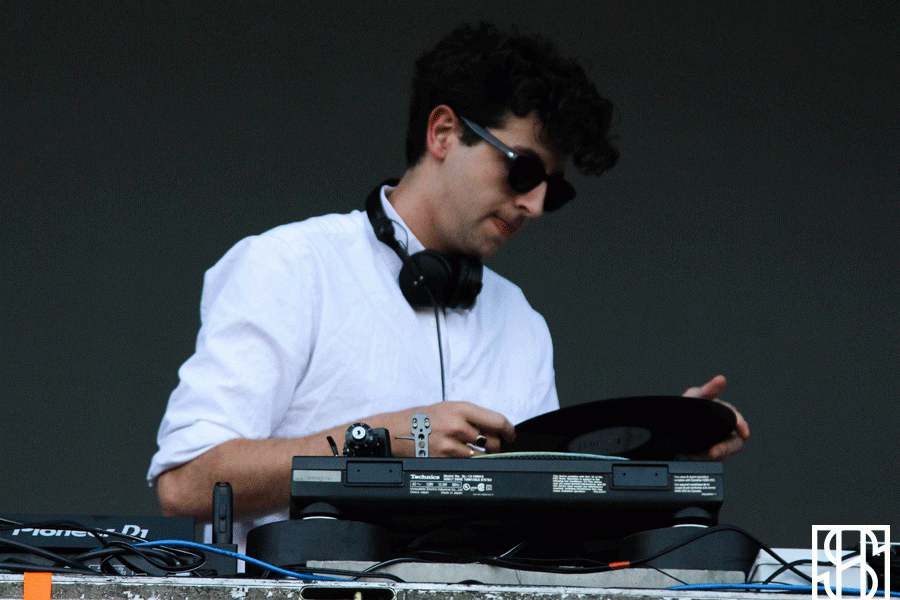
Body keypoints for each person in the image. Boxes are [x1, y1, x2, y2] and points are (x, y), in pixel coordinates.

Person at [148, 23, 749, 546]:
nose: (536, 204)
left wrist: (659, 452)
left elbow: (550, 516)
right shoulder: (289, 266)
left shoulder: (520, 321)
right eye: (523, 170)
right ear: (442, 133)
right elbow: (186, 483)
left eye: (555, 188)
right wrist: (388, 440)